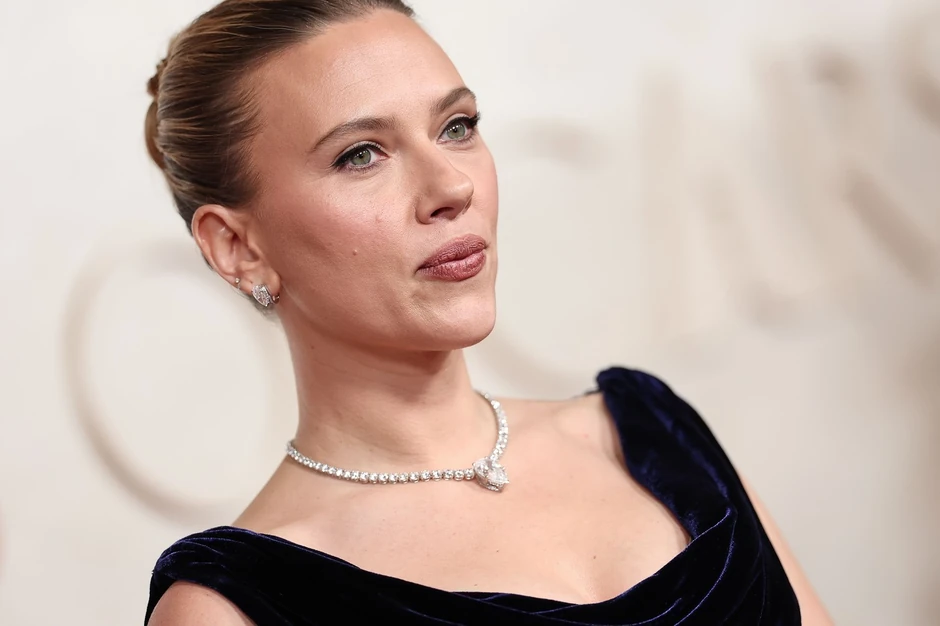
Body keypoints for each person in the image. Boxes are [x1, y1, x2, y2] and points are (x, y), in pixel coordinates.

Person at [142, 1, 832, 624]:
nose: (452, 185)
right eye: (361, 155)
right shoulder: (230, 606)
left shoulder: (656, 435)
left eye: (457, 127)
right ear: (237, 248)